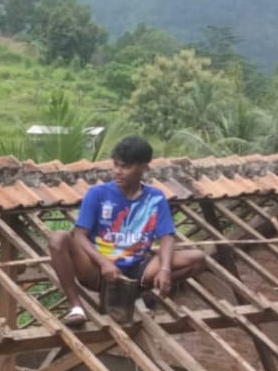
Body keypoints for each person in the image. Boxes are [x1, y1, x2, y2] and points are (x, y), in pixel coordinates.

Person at [48, 136, 206, 325]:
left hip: (137, 269)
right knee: (58, 239)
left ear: (144, 168)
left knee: (197, 259)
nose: (118, 171)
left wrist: (165, 269)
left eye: (125, 167)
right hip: (97, 270)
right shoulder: (97, 194)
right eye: (115, 165)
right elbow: (80, 236)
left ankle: (135, 291)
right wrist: (104, 263)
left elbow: (166, 237)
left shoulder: (155, 198)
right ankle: (76, 308)